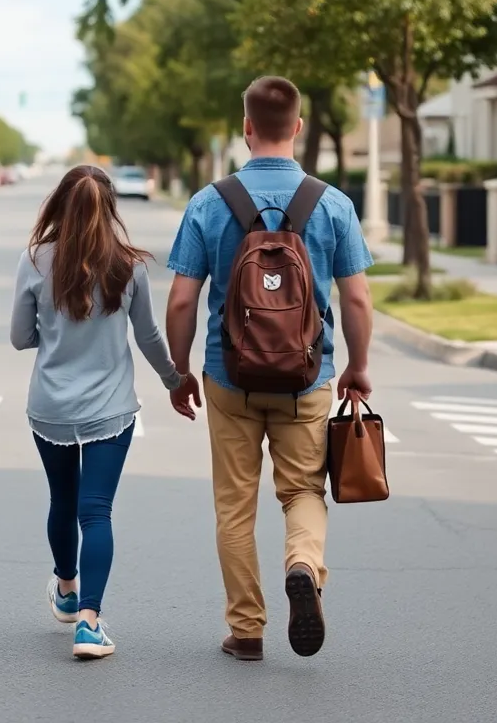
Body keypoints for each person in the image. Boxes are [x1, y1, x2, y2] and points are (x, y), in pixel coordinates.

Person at [164, 76, 374, 661]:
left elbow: (182, 300)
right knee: (303, 488)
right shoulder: (331, 204)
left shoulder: (210, 202)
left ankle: (247, 629)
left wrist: (179, 371)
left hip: (229, 376)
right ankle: (303, 563)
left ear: (246, 127)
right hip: (308, 374)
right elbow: (356, 300)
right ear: (299, 127)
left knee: (235, 505)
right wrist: (357, 367)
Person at [10, 165, 197, 660]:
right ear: (109, 207)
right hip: (109, 410)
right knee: (96, 512)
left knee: (62, 502)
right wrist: (176, 381)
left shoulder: (35, 260)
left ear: (59, 206)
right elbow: (149, 338)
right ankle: (89, 624)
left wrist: (51, 332)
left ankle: (67, 590)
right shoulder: (129, 265)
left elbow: (18, 337)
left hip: (49, 407)